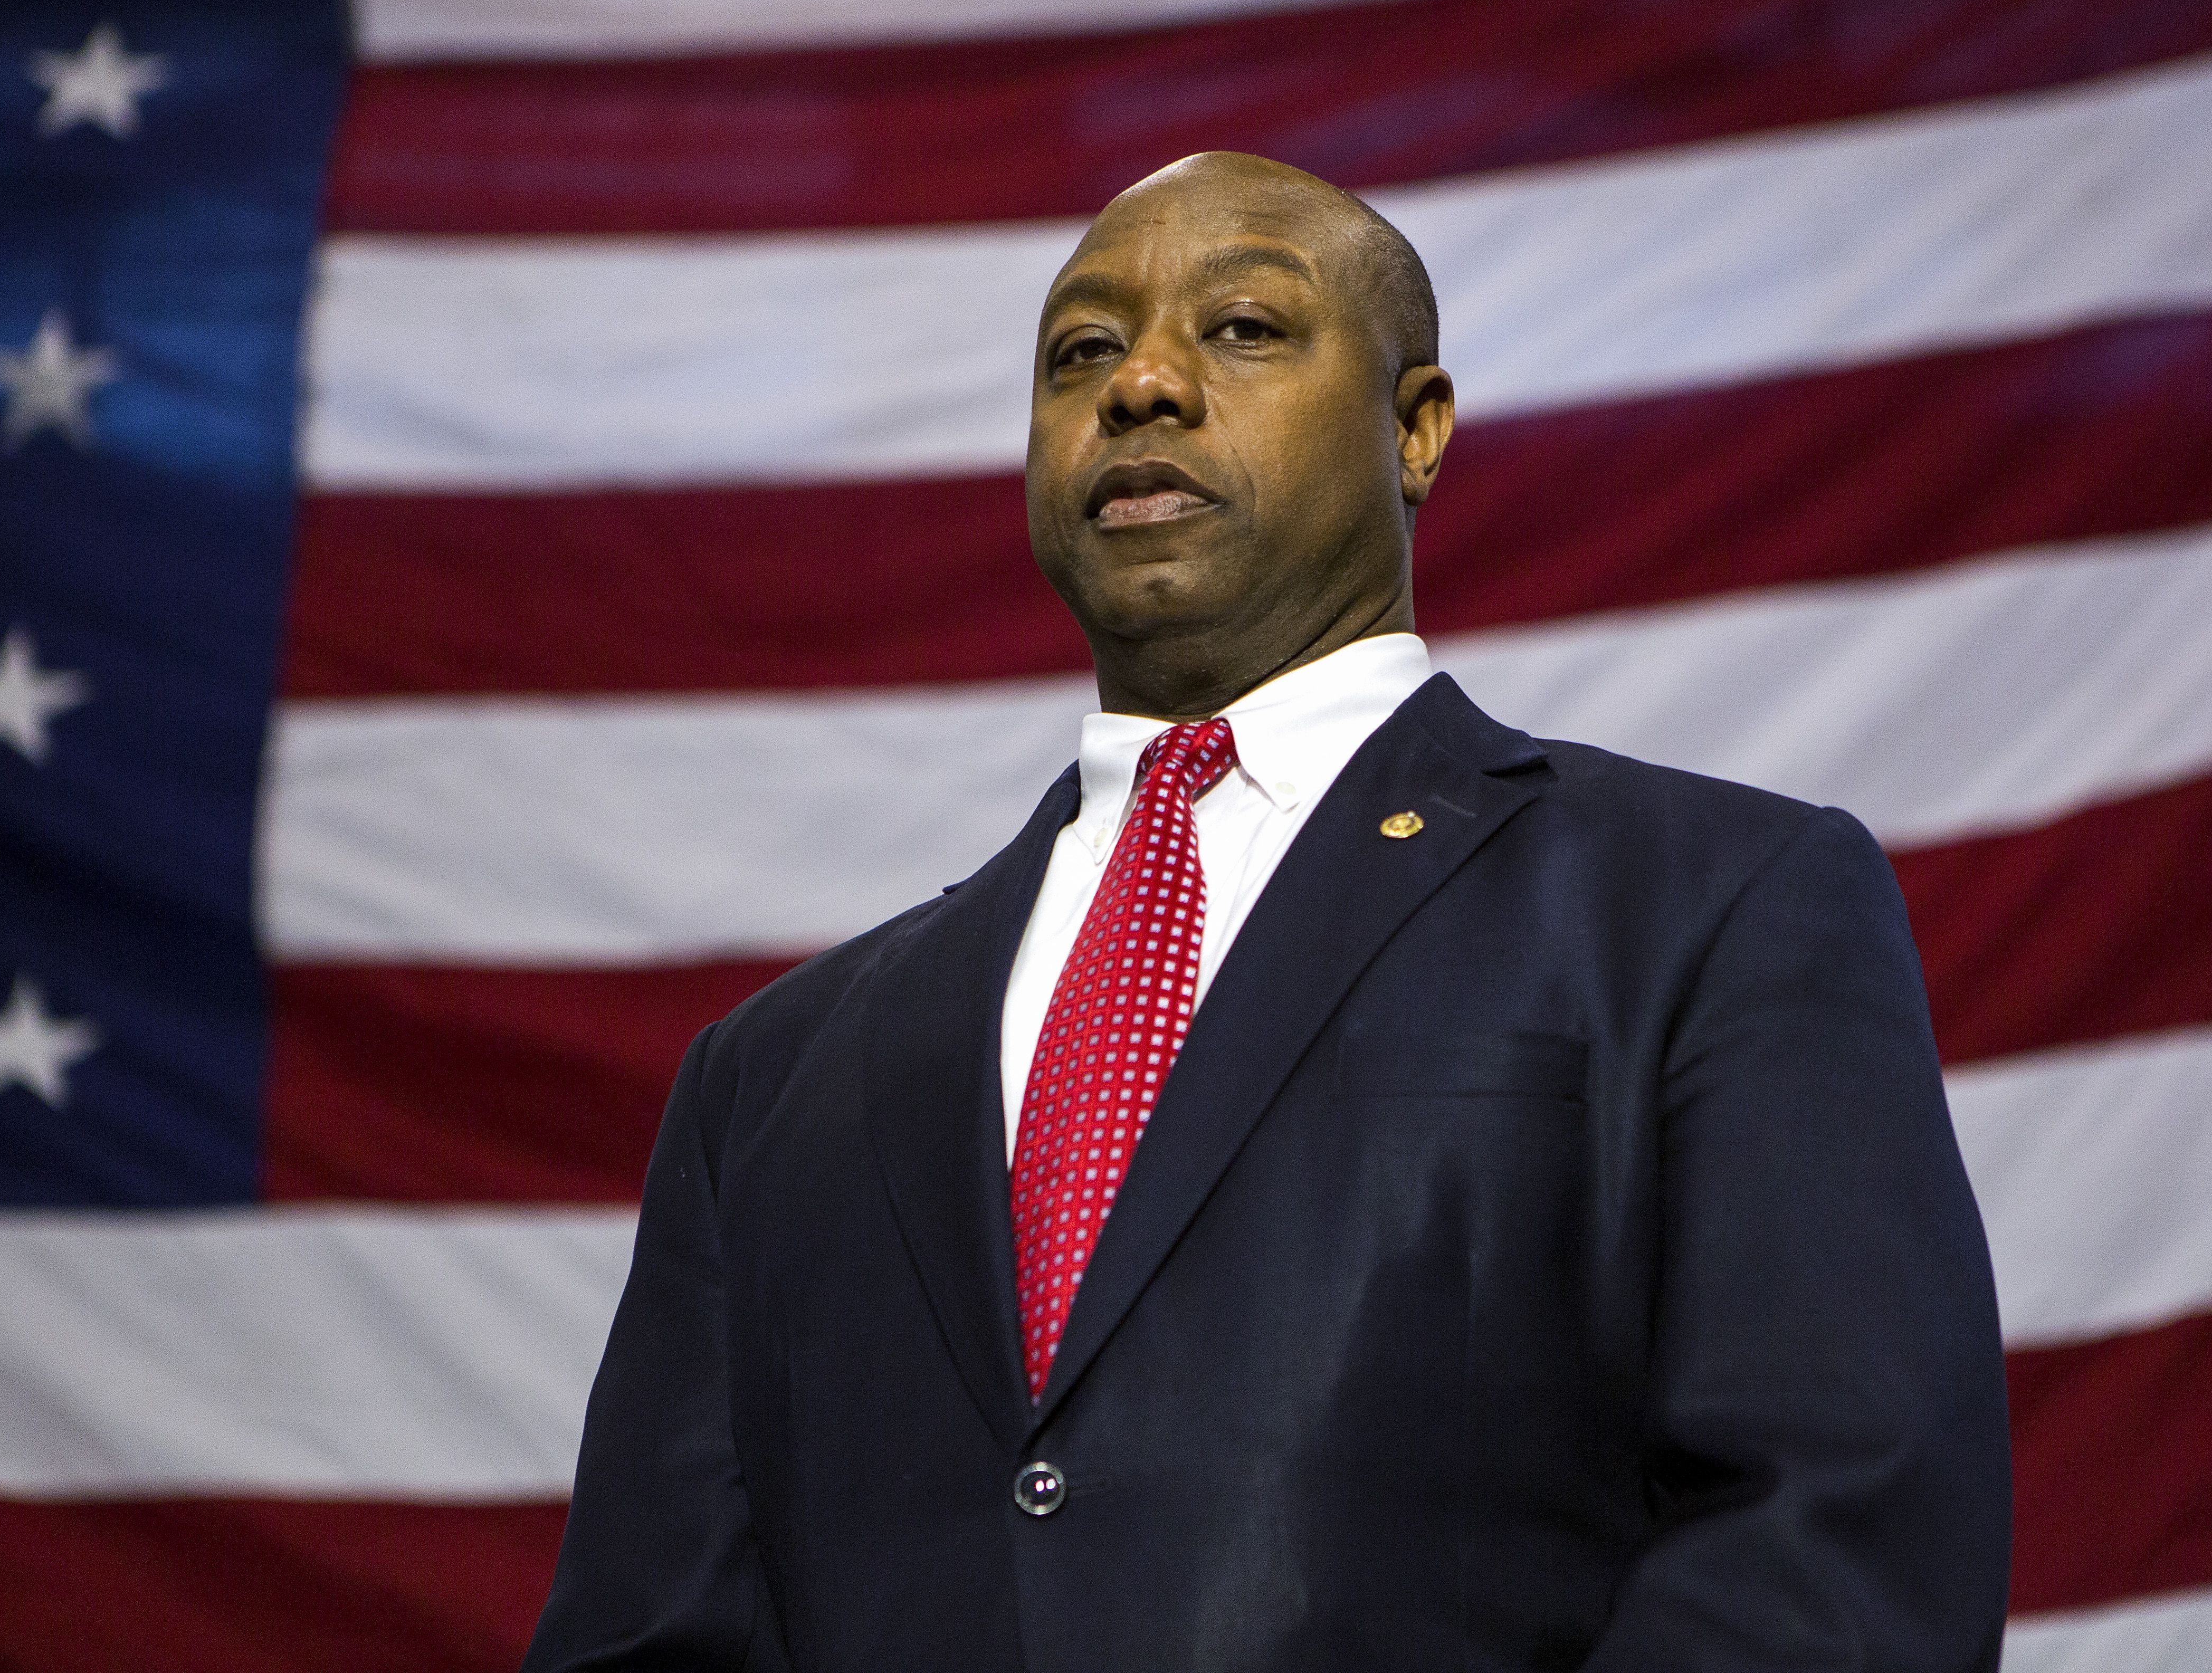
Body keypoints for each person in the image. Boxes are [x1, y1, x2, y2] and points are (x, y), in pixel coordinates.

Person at [524, 152, 2011, 1672]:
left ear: (1415, 429)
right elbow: (654, 1639)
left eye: (1241, 327)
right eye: (1082, 352)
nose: (1143, 384)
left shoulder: (1707, 903)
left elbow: (1836, 1551)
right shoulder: (775, 1075)